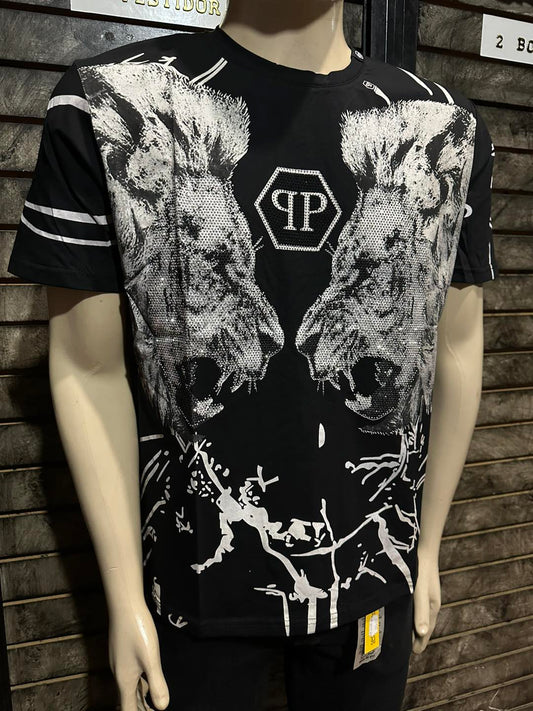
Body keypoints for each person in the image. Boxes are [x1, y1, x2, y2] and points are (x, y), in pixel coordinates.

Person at [7, 0, 499, 709]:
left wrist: (425, 548)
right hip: (190, 578)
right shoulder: (106, 102)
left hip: (374, 570)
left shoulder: (446, 127)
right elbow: (88, 369)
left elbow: (454, 346)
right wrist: (124, 597)